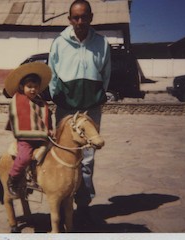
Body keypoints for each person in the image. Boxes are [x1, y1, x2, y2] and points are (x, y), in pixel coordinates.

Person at [48, 0, 111, 224]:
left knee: (87, 158)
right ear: (69, 19)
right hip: (66, 107)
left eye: (84, 17)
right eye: (76, 17)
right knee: (64, 153)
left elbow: (106, 73)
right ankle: (63, 200)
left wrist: (97, 97)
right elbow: (52, 73)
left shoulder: (102, 43)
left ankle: (83, 205)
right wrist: (58, 97)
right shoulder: (59, 43)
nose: (80, 21)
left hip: (90, 109)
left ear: (91, 17)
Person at [4, 62, 53, 199]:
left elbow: (46, 119)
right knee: (25, 157)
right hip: (26, 139)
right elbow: (23, 119)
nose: (32, 90)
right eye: (29, 86)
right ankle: (12, 179)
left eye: (35, 87)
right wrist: (44, 133)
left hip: (43, 138)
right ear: (21, 87)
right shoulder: (19, 101)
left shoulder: (41, 103)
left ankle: (43, 179)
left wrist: (50, 130)